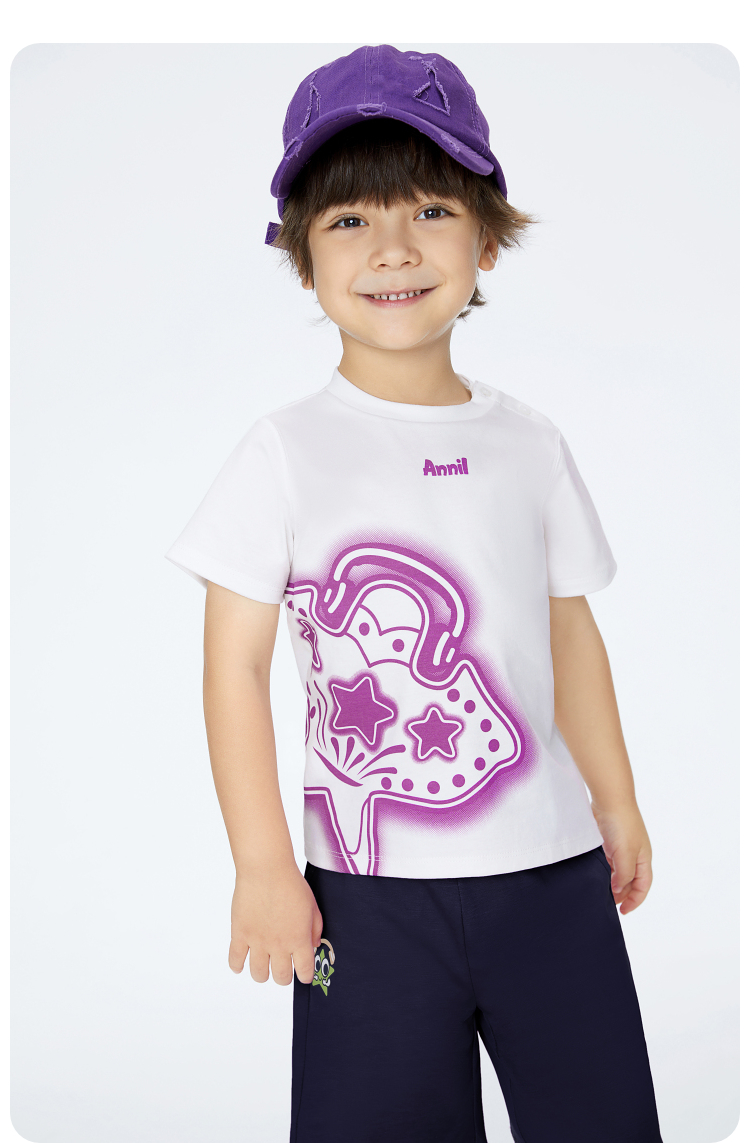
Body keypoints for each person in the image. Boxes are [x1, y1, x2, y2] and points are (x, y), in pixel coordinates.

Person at [166, 44, 663, 1143]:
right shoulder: (284, 452)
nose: (393, 247)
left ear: (486, 240)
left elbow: (568, 631)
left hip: (552, 877)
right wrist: (262, 864)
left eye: (431, 210)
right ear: (302, 257)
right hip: (364, 900)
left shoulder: (530, 443)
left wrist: (617, 801)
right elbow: (234, 667)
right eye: (350, 219)